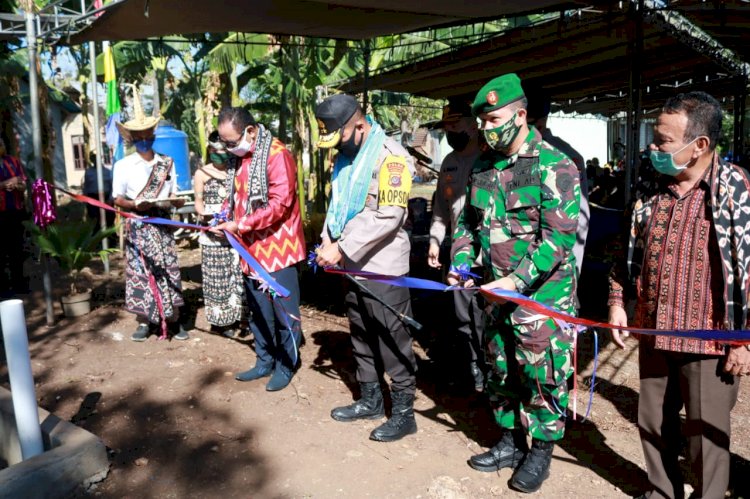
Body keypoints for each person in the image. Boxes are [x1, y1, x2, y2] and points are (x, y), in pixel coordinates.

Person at [608, 91, 750, 499]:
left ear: (699, 145)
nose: (653, 148)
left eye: (664, 141)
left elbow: (749, 268)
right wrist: (618, 303)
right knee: (653, 423)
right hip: (655, 331)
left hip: (709, 340)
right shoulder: (650, 186)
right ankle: (662, 492)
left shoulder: (734, 189)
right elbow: (625, 249)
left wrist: (741, 340)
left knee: (706, 436)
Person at [450, 73, 580, 494]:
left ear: (521, 114)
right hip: (495, 296)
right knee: (501, 369)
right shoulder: (484, 167)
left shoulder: (556, 165)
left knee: (541, 375)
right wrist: (462, 263)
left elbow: (557, 240)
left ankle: (540, 449)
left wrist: (514, 281)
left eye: (493, 119)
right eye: (482, 121)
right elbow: (468, 224)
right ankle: (509, 440)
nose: (485, 128)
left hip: (541, 299)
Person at [314, 94, 418, 443]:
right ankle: (371, 400)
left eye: (340, 135)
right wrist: (327, 240)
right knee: (361, 335)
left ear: (360, 126)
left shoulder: (392, 160)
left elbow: (388, 216)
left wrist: (340, 247)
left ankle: (404, 414)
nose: (337, 144)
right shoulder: (346, 157)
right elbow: (339, 205)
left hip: (382, 268)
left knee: (393, 340)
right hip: (350, 267)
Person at [212, 107, 306, 392]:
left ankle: (286, 364)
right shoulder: (239, 158)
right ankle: (264, 360)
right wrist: (222, 221)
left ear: (251, 131)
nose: (228, 148)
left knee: (283, 312)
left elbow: (279, 204)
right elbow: (236, 198)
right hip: (248, 249)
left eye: (231, 141)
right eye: (224, 142)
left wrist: (240, 225)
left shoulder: (278, 155)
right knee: (258, 311)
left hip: (278, 248)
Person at [112, 85, 188, 342]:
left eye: (148, 134)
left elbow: (174, 193)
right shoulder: (123, 165)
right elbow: (117, 198)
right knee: (142, 272)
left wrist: (176, 202)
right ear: (131, 138)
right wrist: (134, 206)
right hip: (139, 225)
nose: (144, 138)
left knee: (168, 269)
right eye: (139, 135)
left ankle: (174, 319)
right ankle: (146, 321)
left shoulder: (166, 162)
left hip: (163, 223)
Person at [427, 99, 486, 392]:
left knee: (484, 319)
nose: (450, 131)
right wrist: (435, 240)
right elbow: (440, 209)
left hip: (488, 258)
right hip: (457, 258)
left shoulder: (490, 159)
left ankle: (491, 371)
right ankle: (472, 368)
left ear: (474, 125)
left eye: (454, 125)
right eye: (446, 126)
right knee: (462, 318)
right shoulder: (448, 162)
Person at [526, 91, 589, 276]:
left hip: (553, 273)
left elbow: (578, 219)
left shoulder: (566, 157)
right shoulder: (502, 156)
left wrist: (573, 270)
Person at [194, 131, 245, 337]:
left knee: (237, 277)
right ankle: (221, 322)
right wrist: (209, 218)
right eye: (215, 151)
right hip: (212, 234)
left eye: (223, 151)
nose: (219, 155)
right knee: (218, 280)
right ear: (209, 151)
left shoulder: (237, 170)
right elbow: (198, 203)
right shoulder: (202, 173)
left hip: (234, 232)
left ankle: (240, 318)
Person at [0, 137, 28, 297]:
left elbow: (23, 184)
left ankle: (20, 284)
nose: (1, 146)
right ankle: (4, 287)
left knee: (17, 249)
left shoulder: (12, 161)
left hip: (14, 211)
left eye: (2, 143)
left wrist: (18, 185)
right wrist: (4, 184)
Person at [82, 152, 115, 236]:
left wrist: (111, 198)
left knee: (109, 219)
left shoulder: (108, 172)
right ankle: (96, 240)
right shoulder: (88, 172)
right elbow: (86, 186)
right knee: (94, 220)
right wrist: (85, 199)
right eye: (93, 160)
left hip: (106, 198)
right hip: (93, 198)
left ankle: (111, 239)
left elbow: (112, 186)